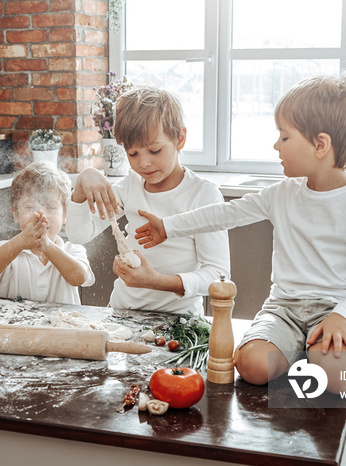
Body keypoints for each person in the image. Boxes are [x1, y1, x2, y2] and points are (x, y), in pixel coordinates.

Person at [135, 72, 346, 392]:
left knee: (339, 378)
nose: (276, 145)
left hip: (335, 312)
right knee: (252, 366)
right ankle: (297, 353)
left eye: (284, 137)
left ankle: (310, 354)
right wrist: (168, 227)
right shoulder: (282, 193)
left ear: (320, 145)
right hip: (283, 309)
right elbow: (226, 214)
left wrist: (343, 317)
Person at [65, 85, 230, 315]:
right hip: (124, 313)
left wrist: (155, 281)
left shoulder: (203, 195)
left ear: (180, 139)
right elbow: (78, 235)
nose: (143, 163)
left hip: (179, 321)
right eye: (133, 154)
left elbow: (218, 276)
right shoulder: (129, 187)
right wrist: (82, 185)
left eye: (154, 150)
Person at [0, 160, 95, 305]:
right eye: (29, 206)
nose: (41, 214)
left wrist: (47, 247)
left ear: (65, 214)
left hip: (63, 326)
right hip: (17, 326)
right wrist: (20, 242)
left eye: (51, 207)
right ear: (15, 213)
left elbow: (79, 277)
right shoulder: (7, 249)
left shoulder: (73, 250)